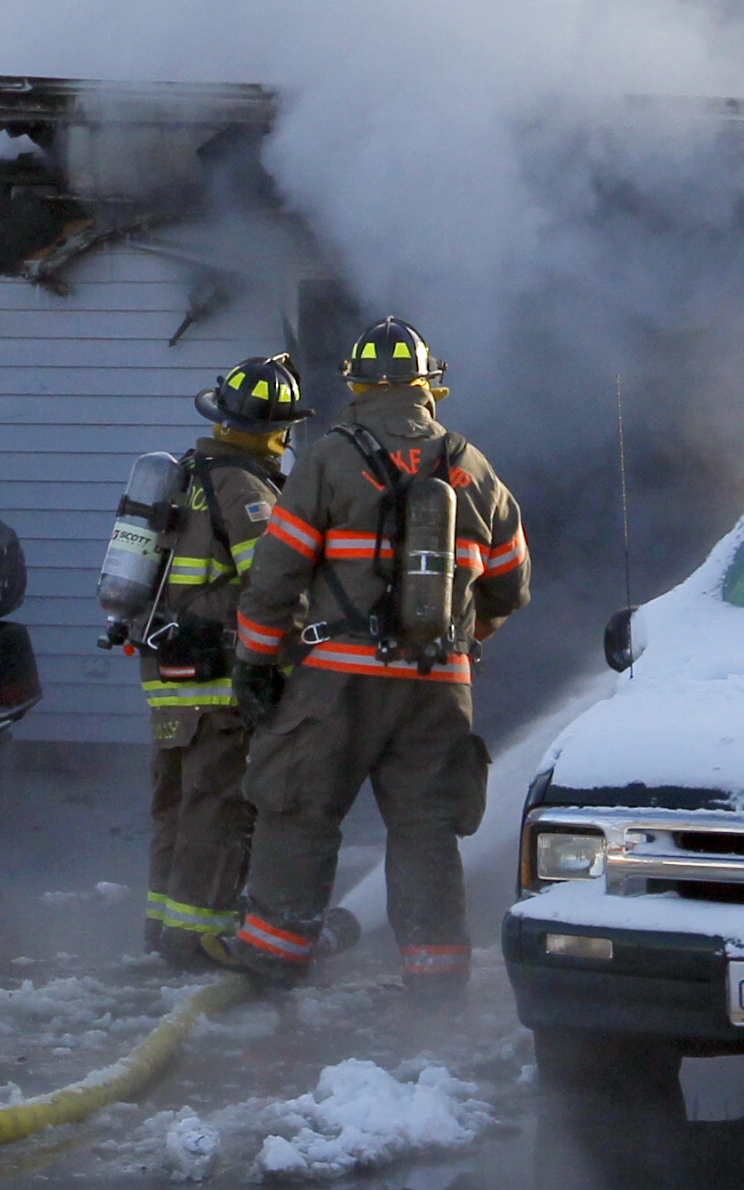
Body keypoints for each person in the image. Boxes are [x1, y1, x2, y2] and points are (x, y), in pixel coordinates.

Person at [214, 318, 530, 989]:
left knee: (298, 812)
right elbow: (511, 586)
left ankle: (273, 959)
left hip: (336, 681)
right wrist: (460, 642)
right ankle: (436, 979)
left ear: (356, 385)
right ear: (429, 385)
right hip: (437, 685)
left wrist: (257, 663)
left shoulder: (330, 458)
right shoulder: (474, 466)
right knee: (427, 830)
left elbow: (277, 573)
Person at [134, 354, 307, 968]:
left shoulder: (186, 473)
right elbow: (271, 584)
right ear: (276, 430)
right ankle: (197, 939)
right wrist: (294, 659)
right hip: (218, 675)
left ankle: (163, 927)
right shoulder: (244, 486)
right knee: (217, 807)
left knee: (177, 803)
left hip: (167, 670)